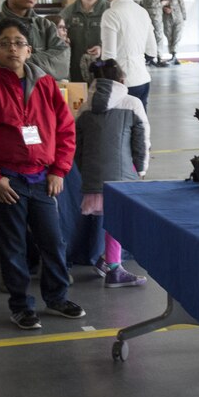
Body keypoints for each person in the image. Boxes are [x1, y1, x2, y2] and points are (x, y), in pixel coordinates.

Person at [0, 17, 84, 330]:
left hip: (43, 180)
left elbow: (66, 129)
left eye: (19, 43)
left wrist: (59, 170)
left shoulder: (47, 85)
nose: (12, 49)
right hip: (8, 183)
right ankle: (20, 306)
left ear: (29, 50)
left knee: (53, 242)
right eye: (4, 44)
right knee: (13, 247)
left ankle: (57, 297)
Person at [74, 59, 149, 287]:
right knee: (120, 221)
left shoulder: (85, 107)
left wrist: (85, 173)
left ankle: (106, 259)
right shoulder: (132, 103)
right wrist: (142, 168)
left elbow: (78, 146)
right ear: (122, 79)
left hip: (92, 176)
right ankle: (114, 269)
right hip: (123, 176)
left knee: (112, 219)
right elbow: (141, 141)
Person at [100, 0, 157, 110]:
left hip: (122, 84)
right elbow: (152, 51)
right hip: (143, 80)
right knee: (140, 123)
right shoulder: (142, 11)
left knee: (120, 124)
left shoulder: (111, 14)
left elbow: (108, 58)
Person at [59, 0, 108, 83]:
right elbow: (56, 36)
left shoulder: (109, 11)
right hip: (75, 71)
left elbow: (120, 39)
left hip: (103, 70)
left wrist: (102, 48)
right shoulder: (68, 12)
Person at [159, 0, 186, 64]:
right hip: (167, 18)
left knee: (177, 35)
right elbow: (158, 5)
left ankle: (174, 55)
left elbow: (181, 3)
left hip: (178, 16)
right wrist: (164, 9)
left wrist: (184, 16)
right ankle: (172, 56)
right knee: (169, 35)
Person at [141, 0, 167, 67]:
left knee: (153, 36)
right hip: (154, 16)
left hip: (153, 16)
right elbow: (152, 4)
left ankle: (152, 58)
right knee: (158, 36)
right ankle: (157, 58)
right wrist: (162, 3)